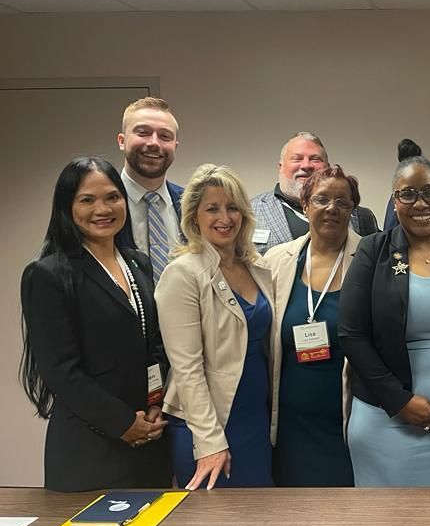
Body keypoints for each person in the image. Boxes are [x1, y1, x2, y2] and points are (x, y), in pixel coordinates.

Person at [20, 157, 171, 492]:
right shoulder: (48, 274)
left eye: (112, 197)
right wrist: (123, 423)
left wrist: (155, 403)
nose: (102, 209)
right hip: (90, 447)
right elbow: (60, 371)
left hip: (149, 438)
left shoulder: (138, 263)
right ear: (67, 207)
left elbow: (155, 344)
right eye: (87, 200)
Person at [339, 156, 430, 486]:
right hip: (386, 423)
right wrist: (399, 401)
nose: (420, 203)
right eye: (407, 194)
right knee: (389, 519)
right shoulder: (373, 251)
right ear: (395, 201)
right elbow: (352, 335)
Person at [157, 164, 278, 490]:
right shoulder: (182, 273)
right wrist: (209, 441)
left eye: (232, 207)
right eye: (212, 208)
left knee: (262, 513)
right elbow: (187, 368)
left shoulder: (256, 267)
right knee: (215, 519)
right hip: (209, 425)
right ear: (194, 216)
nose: (224, 218)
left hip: (255, 418)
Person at [264, 165, 360, 487]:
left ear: (352, 210)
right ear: (304, 205)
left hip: (348, 419)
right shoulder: (276, 261)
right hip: (292, 425)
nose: (332, 208)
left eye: (342, 202)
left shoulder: (370, 259)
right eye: (321, 199)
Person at [251, 132, 378, 254]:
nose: (306, 166)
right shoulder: (250, 211)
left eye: (315, 159)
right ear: (281, 167)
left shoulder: (361, 217)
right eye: (297, 159)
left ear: (327, 168)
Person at [117, 96, 183, 281]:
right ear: (122, 141)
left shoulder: (191, 203)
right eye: (143, 132)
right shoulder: (99, 205)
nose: (154, 143)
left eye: (165, 136)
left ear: (175, 146)